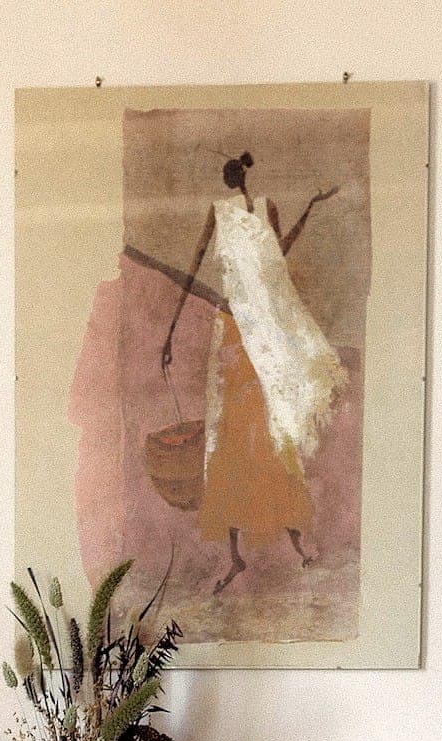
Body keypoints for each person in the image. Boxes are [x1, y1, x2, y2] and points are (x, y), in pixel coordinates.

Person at [161, 152, 348, 594]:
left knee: (265, 432)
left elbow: (277, 259)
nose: (231, 179)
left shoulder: (266, 208)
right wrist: (170, 330)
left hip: (259, 332)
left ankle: (290, 542)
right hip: (232, 331)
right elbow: (194, 263)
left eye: (230, 173)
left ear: (234, 176)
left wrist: (310, 208)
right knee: (227, 437)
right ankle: (237, 556)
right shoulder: (222, 212)